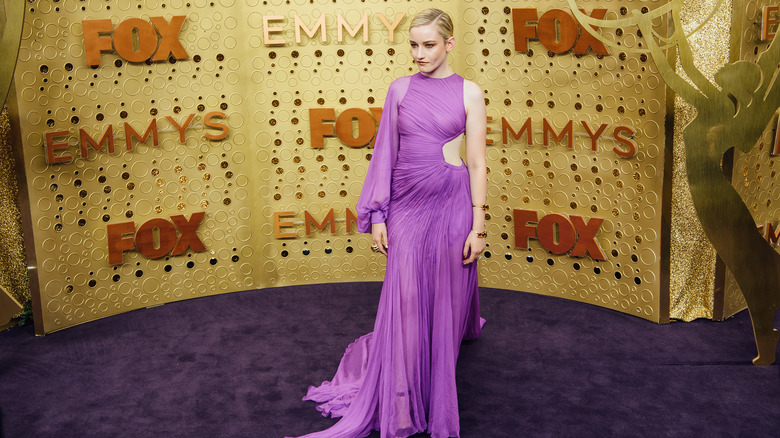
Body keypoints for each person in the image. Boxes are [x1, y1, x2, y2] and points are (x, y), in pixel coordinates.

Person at [293, 8, 487, 438]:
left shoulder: (470, 93)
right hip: (408, 207)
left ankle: (435, 374)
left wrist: (478, 224)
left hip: (453, 205)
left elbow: (476, 162)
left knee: (445, 290)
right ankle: (402, 394)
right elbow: (385, 156)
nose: (419, 54)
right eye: (413, 45)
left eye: (429, 45)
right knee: (407, 296)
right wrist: (378, 214)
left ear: (450, 44)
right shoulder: (399, 90)